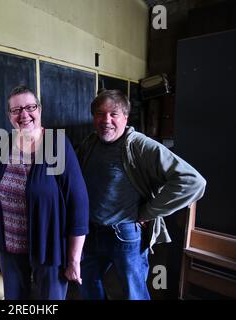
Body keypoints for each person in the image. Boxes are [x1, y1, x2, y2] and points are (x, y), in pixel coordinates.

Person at [0, 85, 89, 300]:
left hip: (48, 247)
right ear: (9, 115)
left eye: (30, 107)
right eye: (16, 110)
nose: (24, 115)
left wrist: (74, 259)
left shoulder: (56, 145)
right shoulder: (5, 145)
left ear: (39, 110)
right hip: (11, 247)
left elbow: (78, 202)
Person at [76, 89, 206, 300]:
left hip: (125, 234)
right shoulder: (90, 143)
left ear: (125, 117)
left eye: (113, 114)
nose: (105, 120)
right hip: (91, 233)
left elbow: (193, 182)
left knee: (133, 294)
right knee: (88, 286)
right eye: (100, 113)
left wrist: (148, 212)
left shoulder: (139, 145)